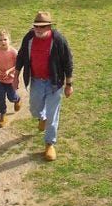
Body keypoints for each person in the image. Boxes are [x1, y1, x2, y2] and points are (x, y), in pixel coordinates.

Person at [15, 11, 73, 162]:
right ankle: (42, 117)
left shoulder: (58, 39)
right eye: (36, 26)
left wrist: (69, 84)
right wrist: (15, 77)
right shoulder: (29, 38)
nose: (38, 30)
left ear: (49, 27)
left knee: (53, 114)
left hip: (55, 83)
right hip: (36, 81)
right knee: (34, 108)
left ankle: (49, 144)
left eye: (42, 27)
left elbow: (68, 62)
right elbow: (21, 56)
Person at [0, 30, 22, 128]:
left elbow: (18, 64)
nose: (3, 42)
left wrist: (9, 71)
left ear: (9, 40)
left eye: (5, 39)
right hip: (0, 79)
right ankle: (2, 115)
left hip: (11, 80)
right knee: (0, 97)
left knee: (11, 97)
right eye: (0, 40)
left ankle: (17, 100)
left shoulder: (13, 52)